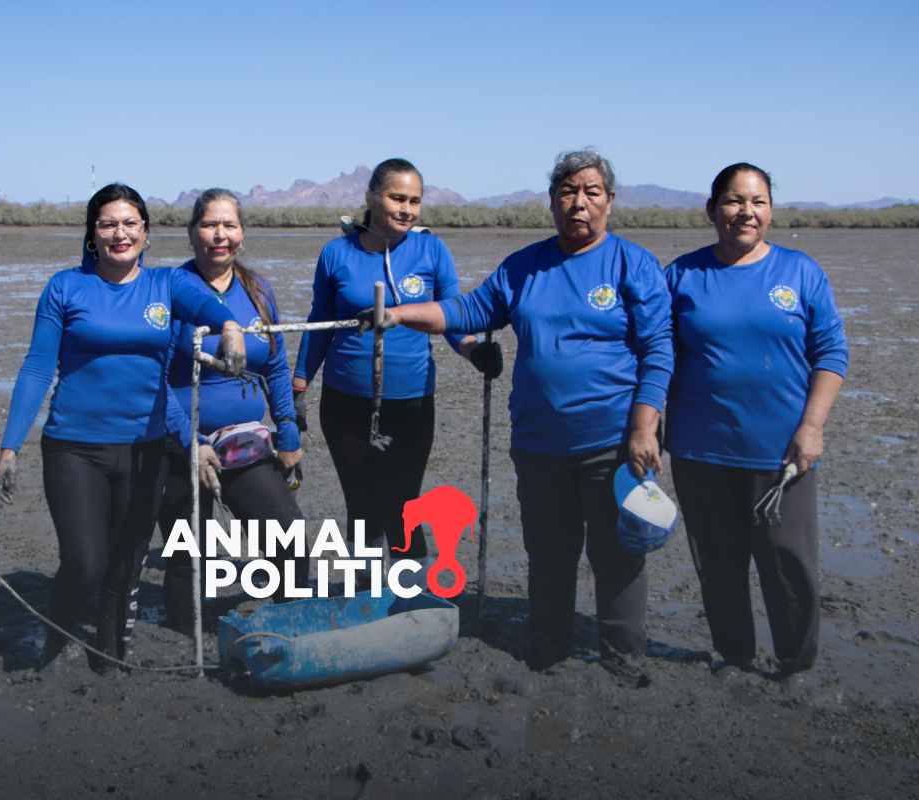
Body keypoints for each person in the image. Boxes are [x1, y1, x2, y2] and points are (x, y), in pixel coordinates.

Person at [364, 150, 674, 686]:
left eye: (592, 192)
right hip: (539, 444)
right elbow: (468, 311)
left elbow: (659, 350)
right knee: (549, 553)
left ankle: (624, 660)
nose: (580, 203)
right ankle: (548, 649)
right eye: (568, 192)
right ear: (553, 201)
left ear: (610, 202)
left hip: (613, 443)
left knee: (617, 556)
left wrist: (645, 426)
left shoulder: (633, 264)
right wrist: (398, 314)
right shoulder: (524, 266)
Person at [0, 183, 244, 674]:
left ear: (146, 233)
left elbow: (211, 308)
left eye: (130, 223)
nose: (119, 233)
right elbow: (38, 368)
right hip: (74, 448)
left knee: (125, 566)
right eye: (108, 223)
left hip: (144, 449)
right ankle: (56, 640)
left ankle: (108, 657)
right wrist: (9, 446)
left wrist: (231, 328)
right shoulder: (66, 288)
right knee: (85, 562)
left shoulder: (166, 286)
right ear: (92, 234)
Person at [664, 163, 847, 684]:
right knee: (718, 565)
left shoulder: (799, 272)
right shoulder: (682, 275)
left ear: (770, 210)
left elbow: (831, 352)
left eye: (758, 201)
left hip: (782, 454)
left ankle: (796, 663)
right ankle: (735, 656)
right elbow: (657, 353)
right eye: (734, 200)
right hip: (701, 451)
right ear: (711, 209)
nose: (746, 212)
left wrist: (811, 428)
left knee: (788, 563)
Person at [292, 158, 495, 574]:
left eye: (414, 201)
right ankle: (365, 596)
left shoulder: (431, 249)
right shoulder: (336, 253)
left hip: (412, 402)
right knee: (362, 502)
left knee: (404, 499)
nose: (406, 209)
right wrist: (297, 388)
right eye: (397, 197)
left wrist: (474, 351)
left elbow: (452, 315)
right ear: (371, 196)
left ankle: (408, 596)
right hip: (345, 401)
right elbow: (318, 326)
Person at [158, 189, 306, 630]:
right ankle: (186, 638)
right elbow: (155, 380)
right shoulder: (170, 291)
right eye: (209, 224)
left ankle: (290, 623)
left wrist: (288, 429)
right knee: (188, 553)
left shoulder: (257, 290)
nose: (219, 235)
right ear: (191, 233)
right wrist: (192, 443)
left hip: (243, 443)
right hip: (181, 446)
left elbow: (276, 364)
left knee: (290, 537)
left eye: (229, 225)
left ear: (242, 233)